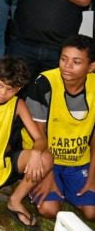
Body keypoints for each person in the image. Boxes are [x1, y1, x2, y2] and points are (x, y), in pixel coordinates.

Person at [0, 56, 53, 228]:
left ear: (19, 89)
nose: (2, 93)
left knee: (46, 158)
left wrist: (36, 153)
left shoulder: (18, 105)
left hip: (5, 163)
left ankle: (15, 200)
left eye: (10, 89)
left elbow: (39, 138)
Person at [27, 35, 95, 221]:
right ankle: (35, 182)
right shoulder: (44, 83)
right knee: (49, 210)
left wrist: (92, 178)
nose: (67, 66)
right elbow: (38, 135)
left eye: (76, 62)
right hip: (45, 157)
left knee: (92, 212)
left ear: (91, 67)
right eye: (63, 59)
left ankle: (68, 186)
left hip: (78, 161)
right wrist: (47, 175)